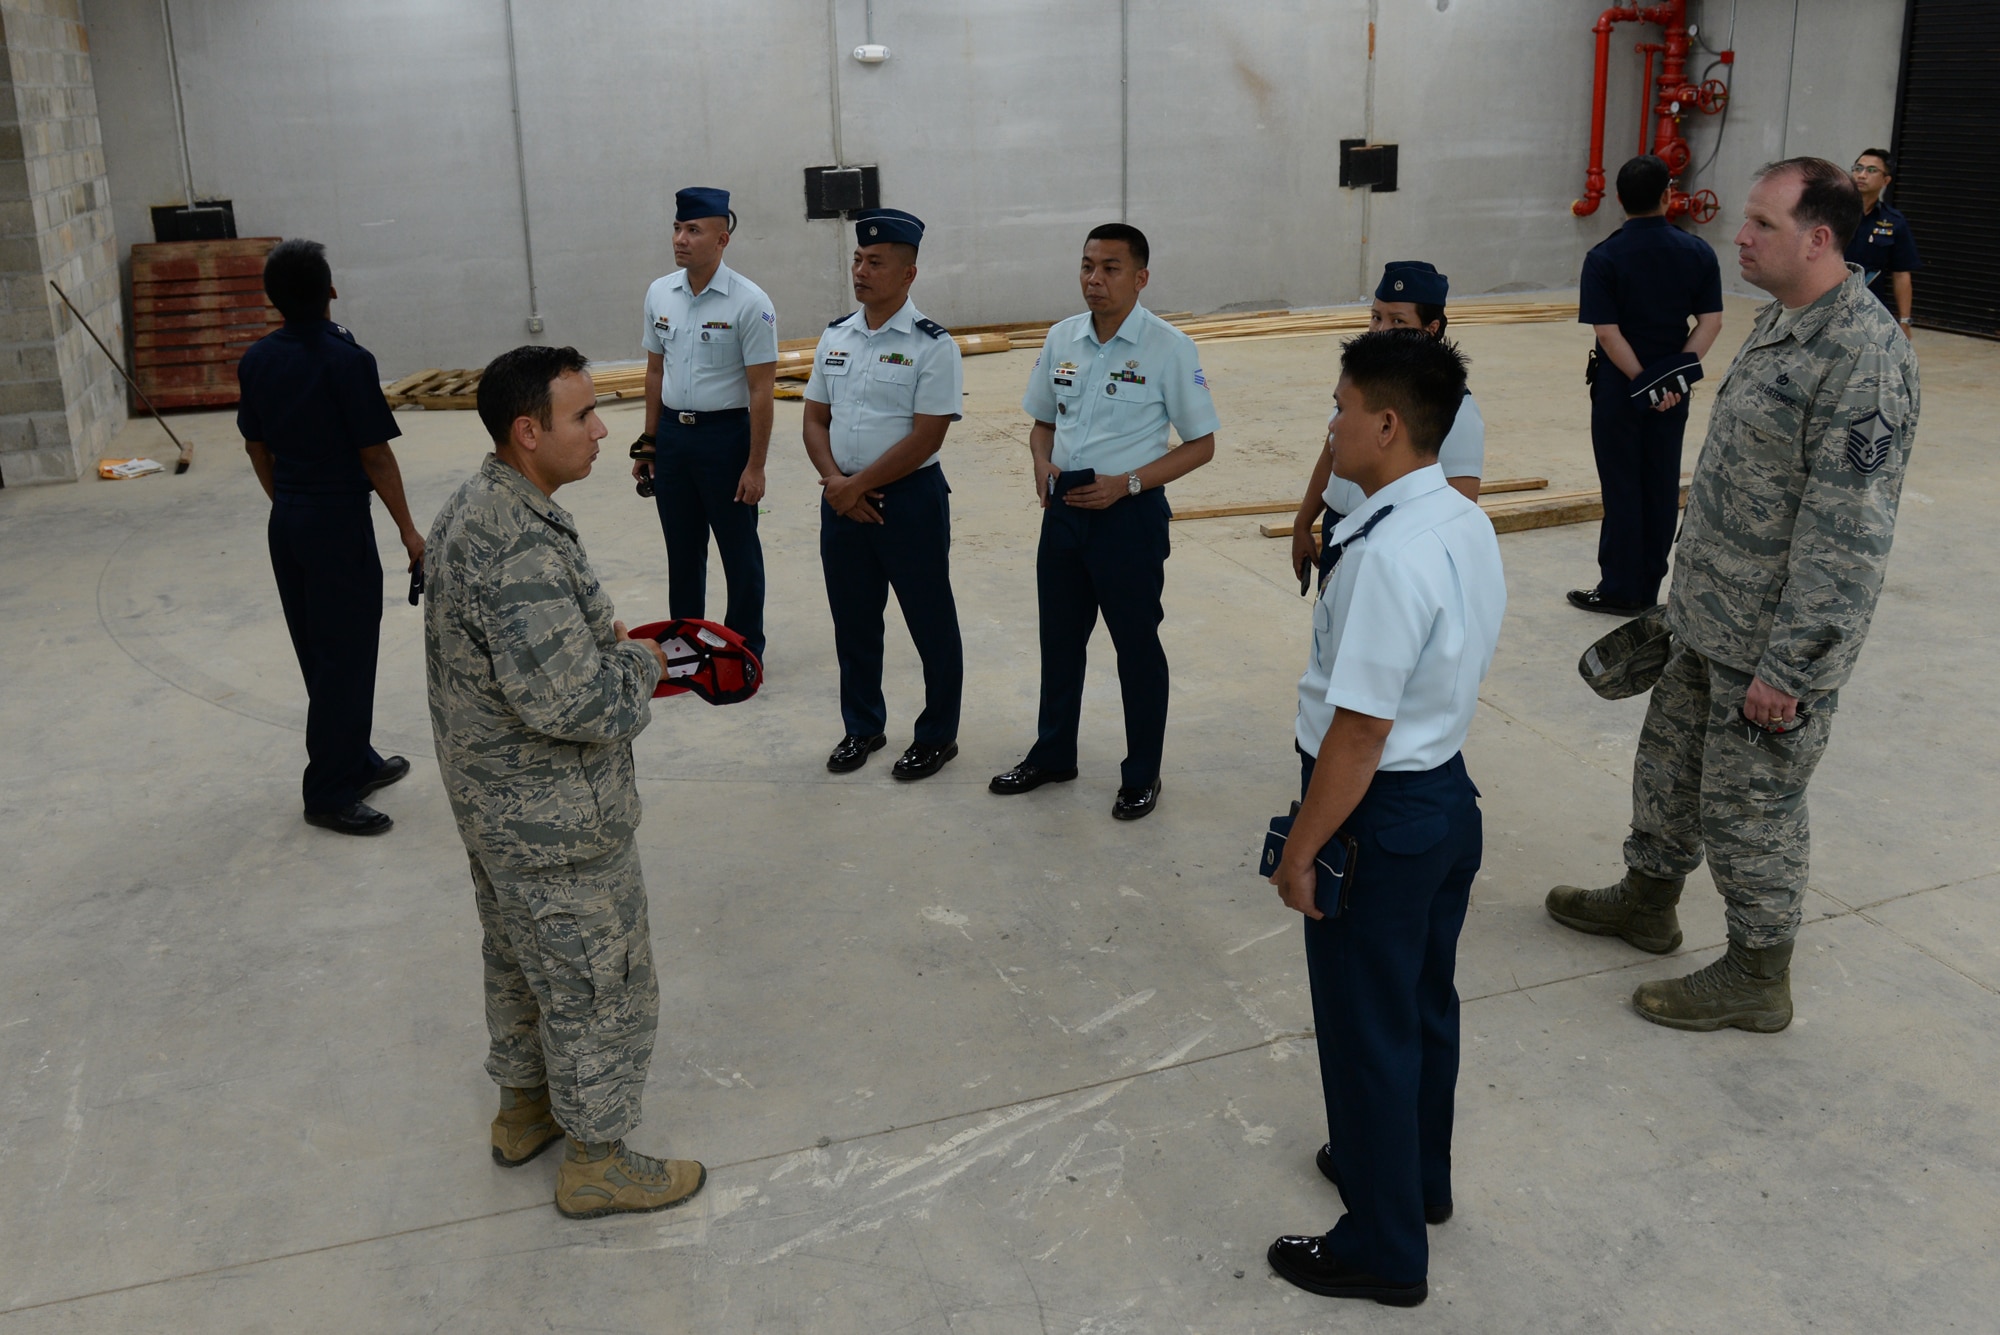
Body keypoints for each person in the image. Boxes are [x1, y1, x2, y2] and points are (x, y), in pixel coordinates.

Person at [1547, 158, 1920, 1033]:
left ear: (1818, 239)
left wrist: (1791, 671)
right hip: (1707, 617)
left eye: (1761, 224)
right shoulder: (1781, 321)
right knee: (1669, 770)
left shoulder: (1864, 357)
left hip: (1771, 645)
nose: (1739, 237)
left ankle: (1758, 971)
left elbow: (1848, 538)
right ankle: (1648, 900)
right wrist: (1681, 607)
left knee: (1749, 808)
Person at [425, 344, 706, 1219]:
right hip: (554, 820)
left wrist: (590, 645)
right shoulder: (518, 545)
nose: (601, 429)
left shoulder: (482, 506)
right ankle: (596, 1159)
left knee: (520, 962)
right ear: (526, 431)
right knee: (597, 980)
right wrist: (638, 663)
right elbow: (578, 701)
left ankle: (524, 1112)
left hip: (498, 812)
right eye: (582, 415)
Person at [1265, 328, 1505, 1307]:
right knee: (1419, 1010)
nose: (1330, 424)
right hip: (1444, 798)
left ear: (1386, 423)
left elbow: (1356, 735)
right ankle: (1416, 1183)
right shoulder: (1456, 520)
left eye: (1338, 407)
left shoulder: (1380, 557)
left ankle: (1380, 1247)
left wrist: (1303, 849)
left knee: (1366, 1032)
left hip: (1379, 811)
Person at [989, 223, 1220, 820]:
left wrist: (1130, 483)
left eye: (1111, 268)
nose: (1095, 278)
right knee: (1059, 642)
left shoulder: (1170, 348)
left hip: (1130, 515)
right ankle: (1052, 754)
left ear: (1141, 278)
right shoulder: (1062, 338)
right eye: (1088, 265)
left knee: (1135, 648)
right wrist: (1039, 463)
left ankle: (1142, 773)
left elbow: (1201, 444)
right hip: (1063, 511)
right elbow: (1043, 420)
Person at [237, 239, 423, 836]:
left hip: (289, 519)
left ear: (274, 300)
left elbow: (255, 446)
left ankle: (354, 758)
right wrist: (408, 531)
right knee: (345, 652)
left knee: (321, 649)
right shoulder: (348, 360)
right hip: (337, 523)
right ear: (331, 292)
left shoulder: (258, 359)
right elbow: (375, 454)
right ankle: (328, 791)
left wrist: (288, 506)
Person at [802, 209, 966, 779]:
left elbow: (927, 435)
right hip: (841, 498)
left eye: (875, 262)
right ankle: (862, 726)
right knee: (853, 621)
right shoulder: (835, 337)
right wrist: (835, 485)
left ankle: (937, 735)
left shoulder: (933, 346)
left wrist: (857, 487)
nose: (861, 270)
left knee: (930, 621)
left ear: (908, 274)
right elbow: (815, 419)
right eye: (857, 259)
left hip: (909, 502)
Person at [1570, 154, 1725, 616]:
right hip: (1674, 389)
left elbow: (1607, 332)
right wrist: (1670, 379)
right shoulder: (1698, 252)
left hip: (1621, 388)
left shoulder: (1603, 257)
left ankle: (1619, 588)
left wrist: (1642, 383)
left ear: (1618, 198)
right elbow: (1711, 321)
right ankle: (1649, 591)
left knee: (1622, 485)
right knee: (1660, 485)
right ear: (1668, 196)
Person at [630, 187, 778, 659]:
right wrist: (650, 442)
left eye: (693, 230)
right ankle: (684, 644)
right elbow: (655, 372)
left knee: (739, 550)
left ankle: (743, 647)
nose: (680, 239)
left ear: (722, 239)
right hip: (674, 437)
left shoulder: (750, 302)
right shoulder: (660, 293)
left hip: (726, 438)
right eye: (677, 228)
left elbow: (761, 391)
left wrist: (755, 466)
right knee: (682, 549)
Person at [1289, 261, 1483, 591]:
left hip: (1392, 543)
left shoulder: (1455, 409)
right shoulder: (1362, 384)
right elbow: (1331, 450)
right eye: (1376, 317)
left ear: (1431, 328)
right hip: (1338, 527)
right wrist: (1303, 522)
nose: (1380, 331)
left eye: (1397, 321)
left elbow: (1458, 512)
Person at [1845, 148, 1921, 338]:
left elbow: (1901, 274)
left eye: (1871, 170)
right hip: (1826, 303)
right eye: (1858, 168)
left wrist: (1904, 321)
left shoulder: (1894, 222)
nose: (1862, 175)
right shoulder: (1830, 213)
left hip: (1869, 311)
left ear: (1885, 180)